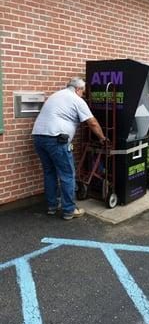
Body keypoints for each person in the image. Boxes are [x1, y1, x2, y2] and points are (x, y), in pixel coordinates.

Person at [32, 77, 107, 220]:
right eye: (83, 92)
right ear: (78, 89)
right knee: (67, 174)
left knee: (49, 172)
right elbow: (92, 122)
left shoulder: (55, 95)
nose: (83, 95)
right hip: (56, 139)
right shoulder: (77, 100)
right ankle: (69, 210)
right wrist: (102, 138)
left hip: (38, 137)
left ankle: (52, 206)